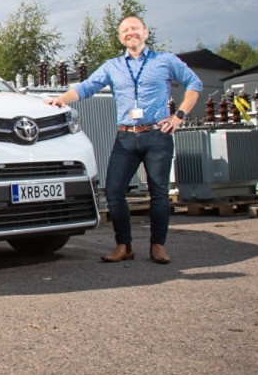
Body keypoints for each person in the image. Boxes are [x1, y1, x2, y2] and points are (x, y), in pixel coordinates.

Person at [44, 15, 201, 265]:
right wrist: (62, 99)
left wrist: (179, 116)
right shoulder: (112, 66)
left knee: (159, 192)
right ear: (120, 37)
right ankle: (123, 245)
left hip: (157, 136)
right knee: (115, 191)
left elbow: (195, 83)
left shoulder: (165, 61)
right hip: (126, 138)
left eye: (135, 28)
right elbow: (87, 87)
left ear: (146, 32)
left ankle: (158, 246)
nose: (131, 33)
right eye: (125, 30)